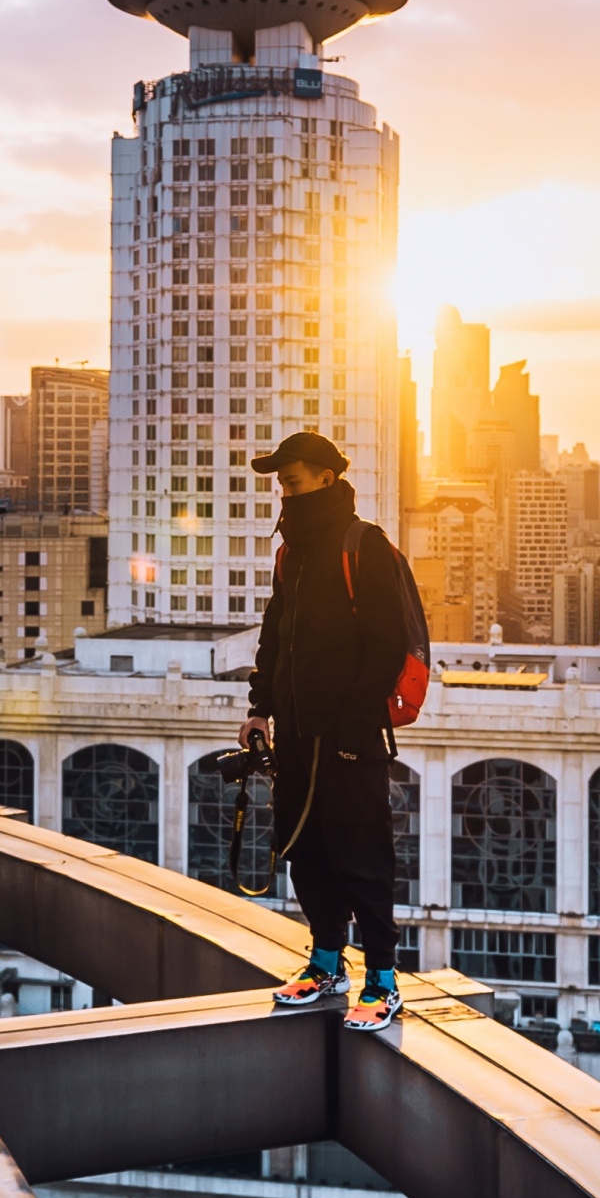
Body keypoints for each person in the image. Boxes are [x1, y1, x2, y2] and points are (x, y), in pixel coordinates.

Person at [239, 430, 408, 1031]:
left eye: (292, 480)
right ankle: (326, 961)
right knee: (305, 851)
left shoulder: (362, 546)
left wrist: (351, 723)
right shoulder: (293, 553)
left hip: (351, 739)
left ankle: (384, 979)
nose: (283, 491)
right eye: (281, 482)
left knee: (362, 856)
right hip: (297, 735)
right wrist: (260, 708)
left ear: (327, 479)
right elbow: (275, 635)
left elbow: (388, 645)